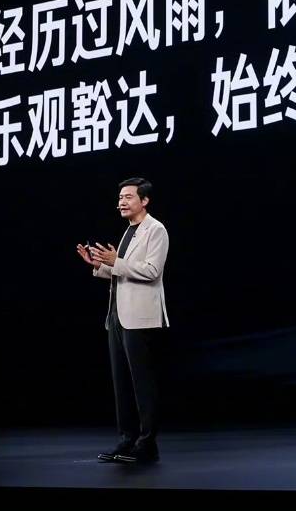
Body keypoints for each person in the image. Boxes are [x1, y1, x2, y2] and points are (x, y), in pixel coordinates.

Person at [75, 177, 170, 463]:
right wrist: (100, 265)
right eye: (120, 198)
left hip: (140, 317)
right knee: (122, 383)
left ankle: (147, 444)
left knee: (143, 383)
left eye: (128, 197)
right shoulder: (129, 231)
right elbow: (123, 271)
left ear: (145, 200)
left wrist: (115, 261)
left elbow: (151, 271)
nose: (121, 202)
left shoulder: (156, 229)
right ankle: (127, 440)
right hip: (117, 315)